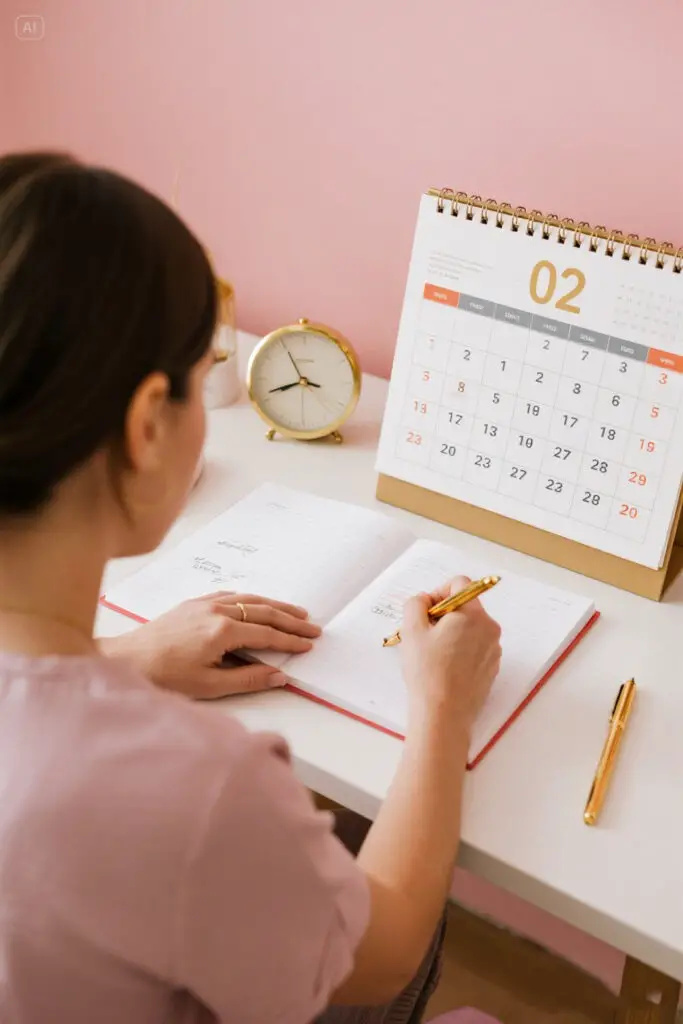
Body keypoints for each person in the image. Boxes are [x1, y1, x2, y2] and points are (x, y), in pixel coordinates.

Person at [0, 151, 502, 1024]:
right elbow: (378, 960)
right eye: (203, 380)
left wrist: (120, 658)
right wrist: (442, 712)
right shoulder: (200, 789)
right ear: (147, 426)